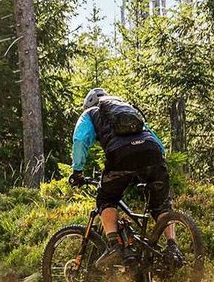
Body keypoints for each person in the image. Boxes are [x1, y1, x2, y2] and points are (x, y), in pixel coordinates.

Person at [68, 87, 169, 262]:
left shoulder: (90, 113)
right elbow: (158, 143)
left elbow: (79, 140)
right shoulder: (127, 110)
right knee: (161, 205)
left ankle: (115, 246)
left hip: (121, 154)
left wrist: (77, 171)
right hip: (151, 151)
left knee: (107, 198)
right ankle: (172, 247)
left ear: (88, 103)